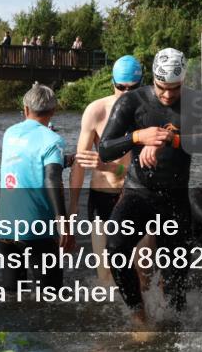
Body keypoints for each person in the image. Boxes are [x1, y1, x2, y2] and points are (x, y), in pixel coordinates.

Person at [98, 48, 202, 331]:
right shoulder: (133, 102)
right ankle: (139, 317)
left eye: (175, 88)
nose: (167, 95)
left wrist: (172, 139)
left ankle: (173, 329)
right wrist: (138, 137)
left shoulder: (199, 102)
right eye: (162, 88)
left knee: (175, 279)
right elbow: (104, 149)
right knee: (116, 248)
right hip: (137, 192)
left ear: (184, 80)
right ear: (153, 80)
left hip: (175, 197)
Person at [68, 55, 144, 286]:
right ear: (112, 83)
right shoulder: (96, 110)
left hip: (137, 196)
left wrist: (115, 168)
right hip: (103, 197)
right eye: (121, 87)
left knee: (142, 272)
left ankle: (146, 321)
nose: (126, 93)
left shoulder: (150, 113)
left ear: (142, 84)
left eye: (132, 88)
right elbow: (80, 163)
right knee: (106, 275)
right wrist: (71, 211)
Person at [0, 83, 75, 295]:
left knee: (13, 295)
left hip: (6, 228)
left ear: (25, 109)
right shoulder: (53, 140)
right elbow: (52, 177)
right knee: (52, 298)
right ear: (53, 111)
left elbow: (29, 162)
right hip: (36, 230)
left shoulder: (9, 134)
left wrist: (67, 160)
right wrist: (63, 221)